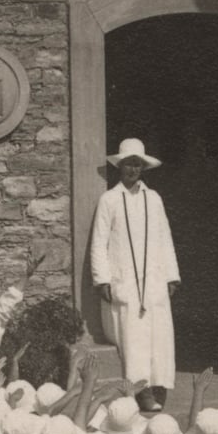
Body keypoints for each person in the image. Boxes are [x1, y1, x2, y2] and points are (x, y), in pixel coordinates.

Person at [90, 139, 180, 393]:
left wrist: (171, 275)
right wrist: (102, 279)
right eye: (128, 164)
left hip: (154, 279)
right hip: (125, 278)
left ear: (143, 168)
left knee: (158, 335)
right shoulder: (109, 199)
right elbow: (99, 241)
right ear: (120, 167)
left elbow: (165, 238)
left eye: (137, 165)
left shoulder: (153, 199)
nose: (132, 170)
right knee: (133, 337)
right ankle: (140, 390)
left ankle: (160, 384)